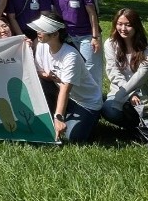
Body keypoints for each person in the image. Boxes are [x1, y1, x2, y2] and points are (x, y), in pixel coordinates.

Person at [29, 14, 102, 143]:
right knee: (40, 82)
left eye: (42, 30)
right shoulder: (41, 46)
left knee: (74, 137)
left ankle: (91, 117)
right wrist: (46, 76)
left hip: (85, 102)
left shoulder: (70, 56)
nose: (38, 32)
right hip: (64, 96)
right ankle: (58, 116)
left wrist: (59, 117)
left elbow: (65, 89)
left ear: (55, 34)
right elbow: (39, 71)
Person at [102, 8, 148, 145]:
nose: (123, 28)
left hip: (144, 91)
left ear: (136, 26)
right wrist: (129, 94)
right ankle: (134, 128)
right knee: (109, 110)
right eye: (119, 24)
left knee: (142, 109)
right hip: (119, 89)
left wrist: (133, 92)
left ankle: (145, 127)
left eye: (128, 25)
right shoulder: (110, 44)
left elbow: (141, 77)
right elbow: (113, 72)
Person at [46, 0, 103, 87]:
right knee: (71, 69)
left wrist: (95, 37)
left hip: (87, 35)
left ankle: (96, 103)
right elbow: (55, 13)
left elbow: (92, 12)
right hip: (67, 35)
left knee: (90, 69)